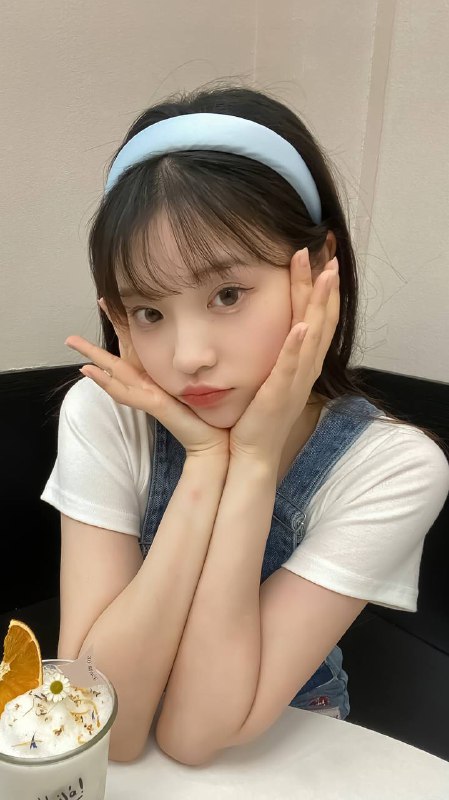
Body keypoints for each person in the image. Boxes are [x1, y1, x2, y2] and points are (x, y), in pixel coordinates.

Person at [41, 84, 449, 766]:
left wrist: (253, 462)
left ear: (319, 270)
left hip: (280, 754)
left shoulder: (393, 468)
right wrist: (205, 461)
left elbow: (196, 734)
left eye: (227, 294)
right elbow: (104, 724)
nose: (188, 356)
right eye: (149, 312)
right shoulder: (105, 415)